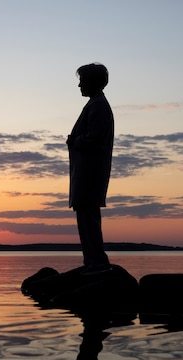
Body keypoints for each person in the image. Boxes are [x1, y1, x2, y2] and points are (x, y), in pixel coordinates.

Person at [67, 63, 114, 275]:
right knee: (86, 216)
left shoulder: (98, 106)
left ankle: (96, 262)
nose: (79, 85)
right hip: (87, 172)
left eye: (83, 81)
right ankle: (93, 261)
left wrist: (75, 141)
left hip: (90, 173)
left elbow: (94, 138)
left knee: (88, 217)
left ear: (94, 82)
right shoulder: (95, 105)